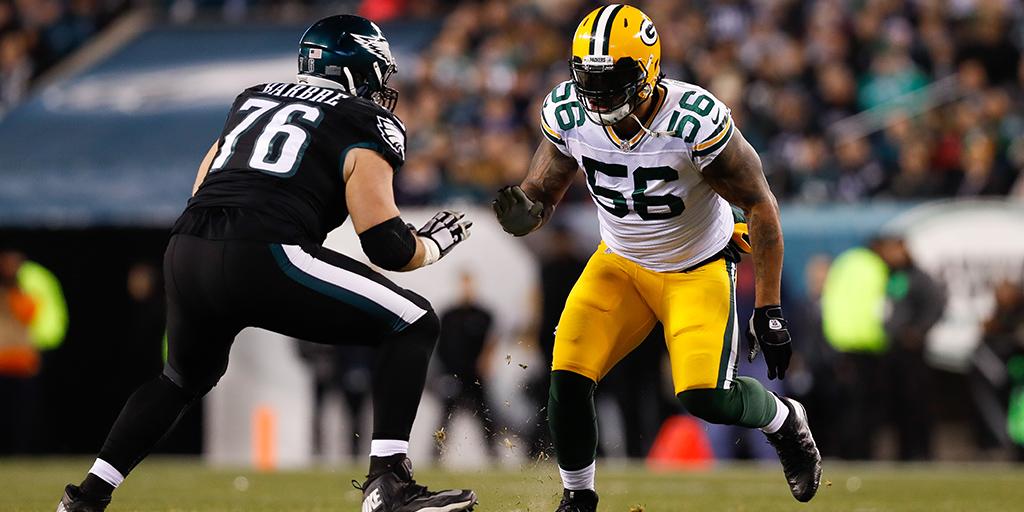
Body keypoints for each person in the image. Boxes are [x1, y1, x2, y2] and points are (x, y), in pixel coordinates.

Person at [58, 15, 477, 512]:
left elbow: (204, 182)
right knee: (413, 321)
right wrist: (433, 244)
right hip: (264, 250)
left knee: (179, 380)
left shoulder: (251, 100)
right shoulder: (365, 120)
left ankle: (86, 500)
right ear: (357, 69)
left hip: (187, 246)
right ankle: (388, 483)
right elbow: (386, 246)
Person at [492, 5, 820, 510]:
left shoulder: (692, 121)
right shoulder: (569, 113)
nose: (598, 93)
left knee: (705, 396)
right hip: (620, 263)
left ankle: (784, 419)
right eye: (589, 78)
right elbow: (544, 190)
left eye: (612, 78)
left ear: (647, 70)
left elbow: (759, 204)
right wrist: (528, 210)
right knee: (567, 378)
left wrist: (769, 308)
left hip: (696, 268)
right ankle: (578, 498)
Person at [435, 272, 497, 459]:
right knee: (445, 417)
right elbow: (442, 346)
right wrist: (443, 372)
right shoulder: (449, 315)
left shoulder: (484, 315)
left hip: (475, 375)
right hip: (453, 374)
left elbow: (492, 342)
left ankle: (493, 453)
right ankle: (436, 454)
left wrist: (486, 361)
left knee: (485, 415)